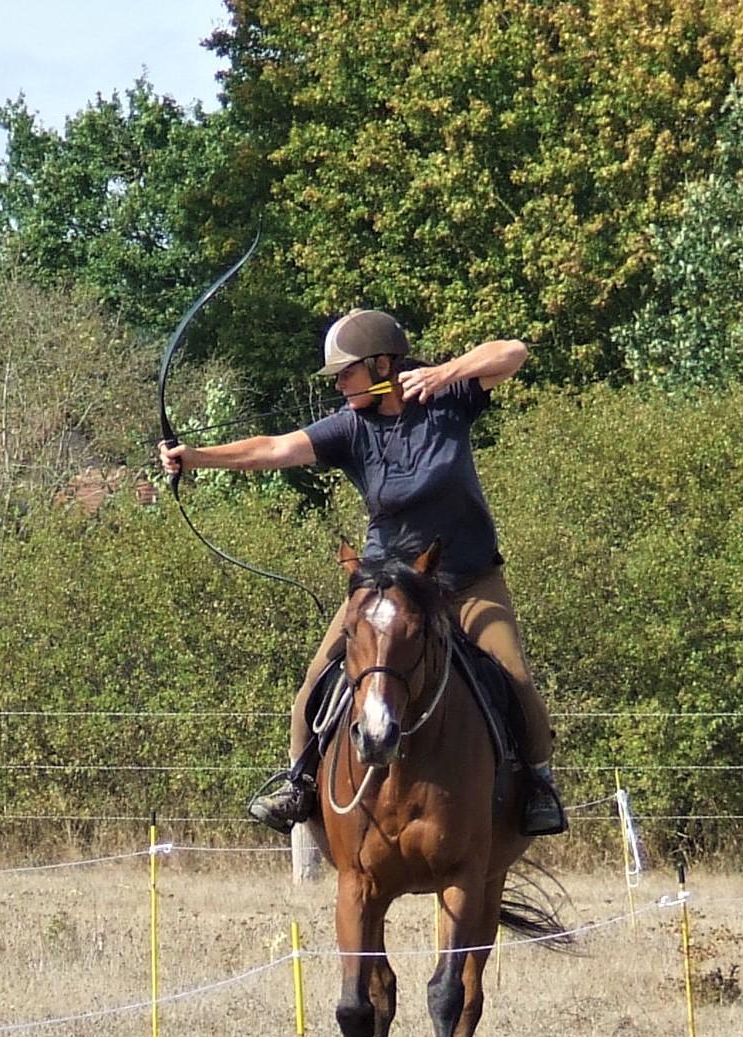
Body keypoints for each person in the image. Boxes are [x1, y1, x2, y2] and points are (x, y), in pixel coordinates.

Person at [158, 307, 565, 838]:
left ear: (380, 364)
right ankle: (300, 783)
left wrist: (445, 372)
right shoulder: (350, 428)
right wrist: (197, 457)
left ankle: (536, 784)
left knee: (515, 680)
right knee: (314, 684)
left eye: (346, 373)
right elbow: (274, 448)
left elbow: (513, 352)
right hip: (387, 590)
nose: (340, 385)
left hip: (467, 581)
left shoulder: (447, 401)